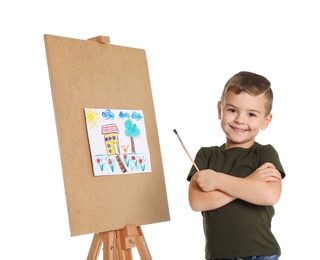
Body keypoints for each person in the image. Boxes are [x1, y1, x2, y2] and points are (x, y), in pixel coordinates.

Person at [187, 71, 285, 260]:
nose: (240, 120)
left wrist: (217, 180)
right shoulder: (206, 155)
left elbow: (269, 195)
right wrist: (250, 183)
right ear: (219, 109)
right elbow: (197, 202)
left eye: (251, 114)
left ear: (266, 121)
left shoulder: (264, 153)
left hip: (261, 254)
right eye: (232, 110)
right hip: (219, 255)